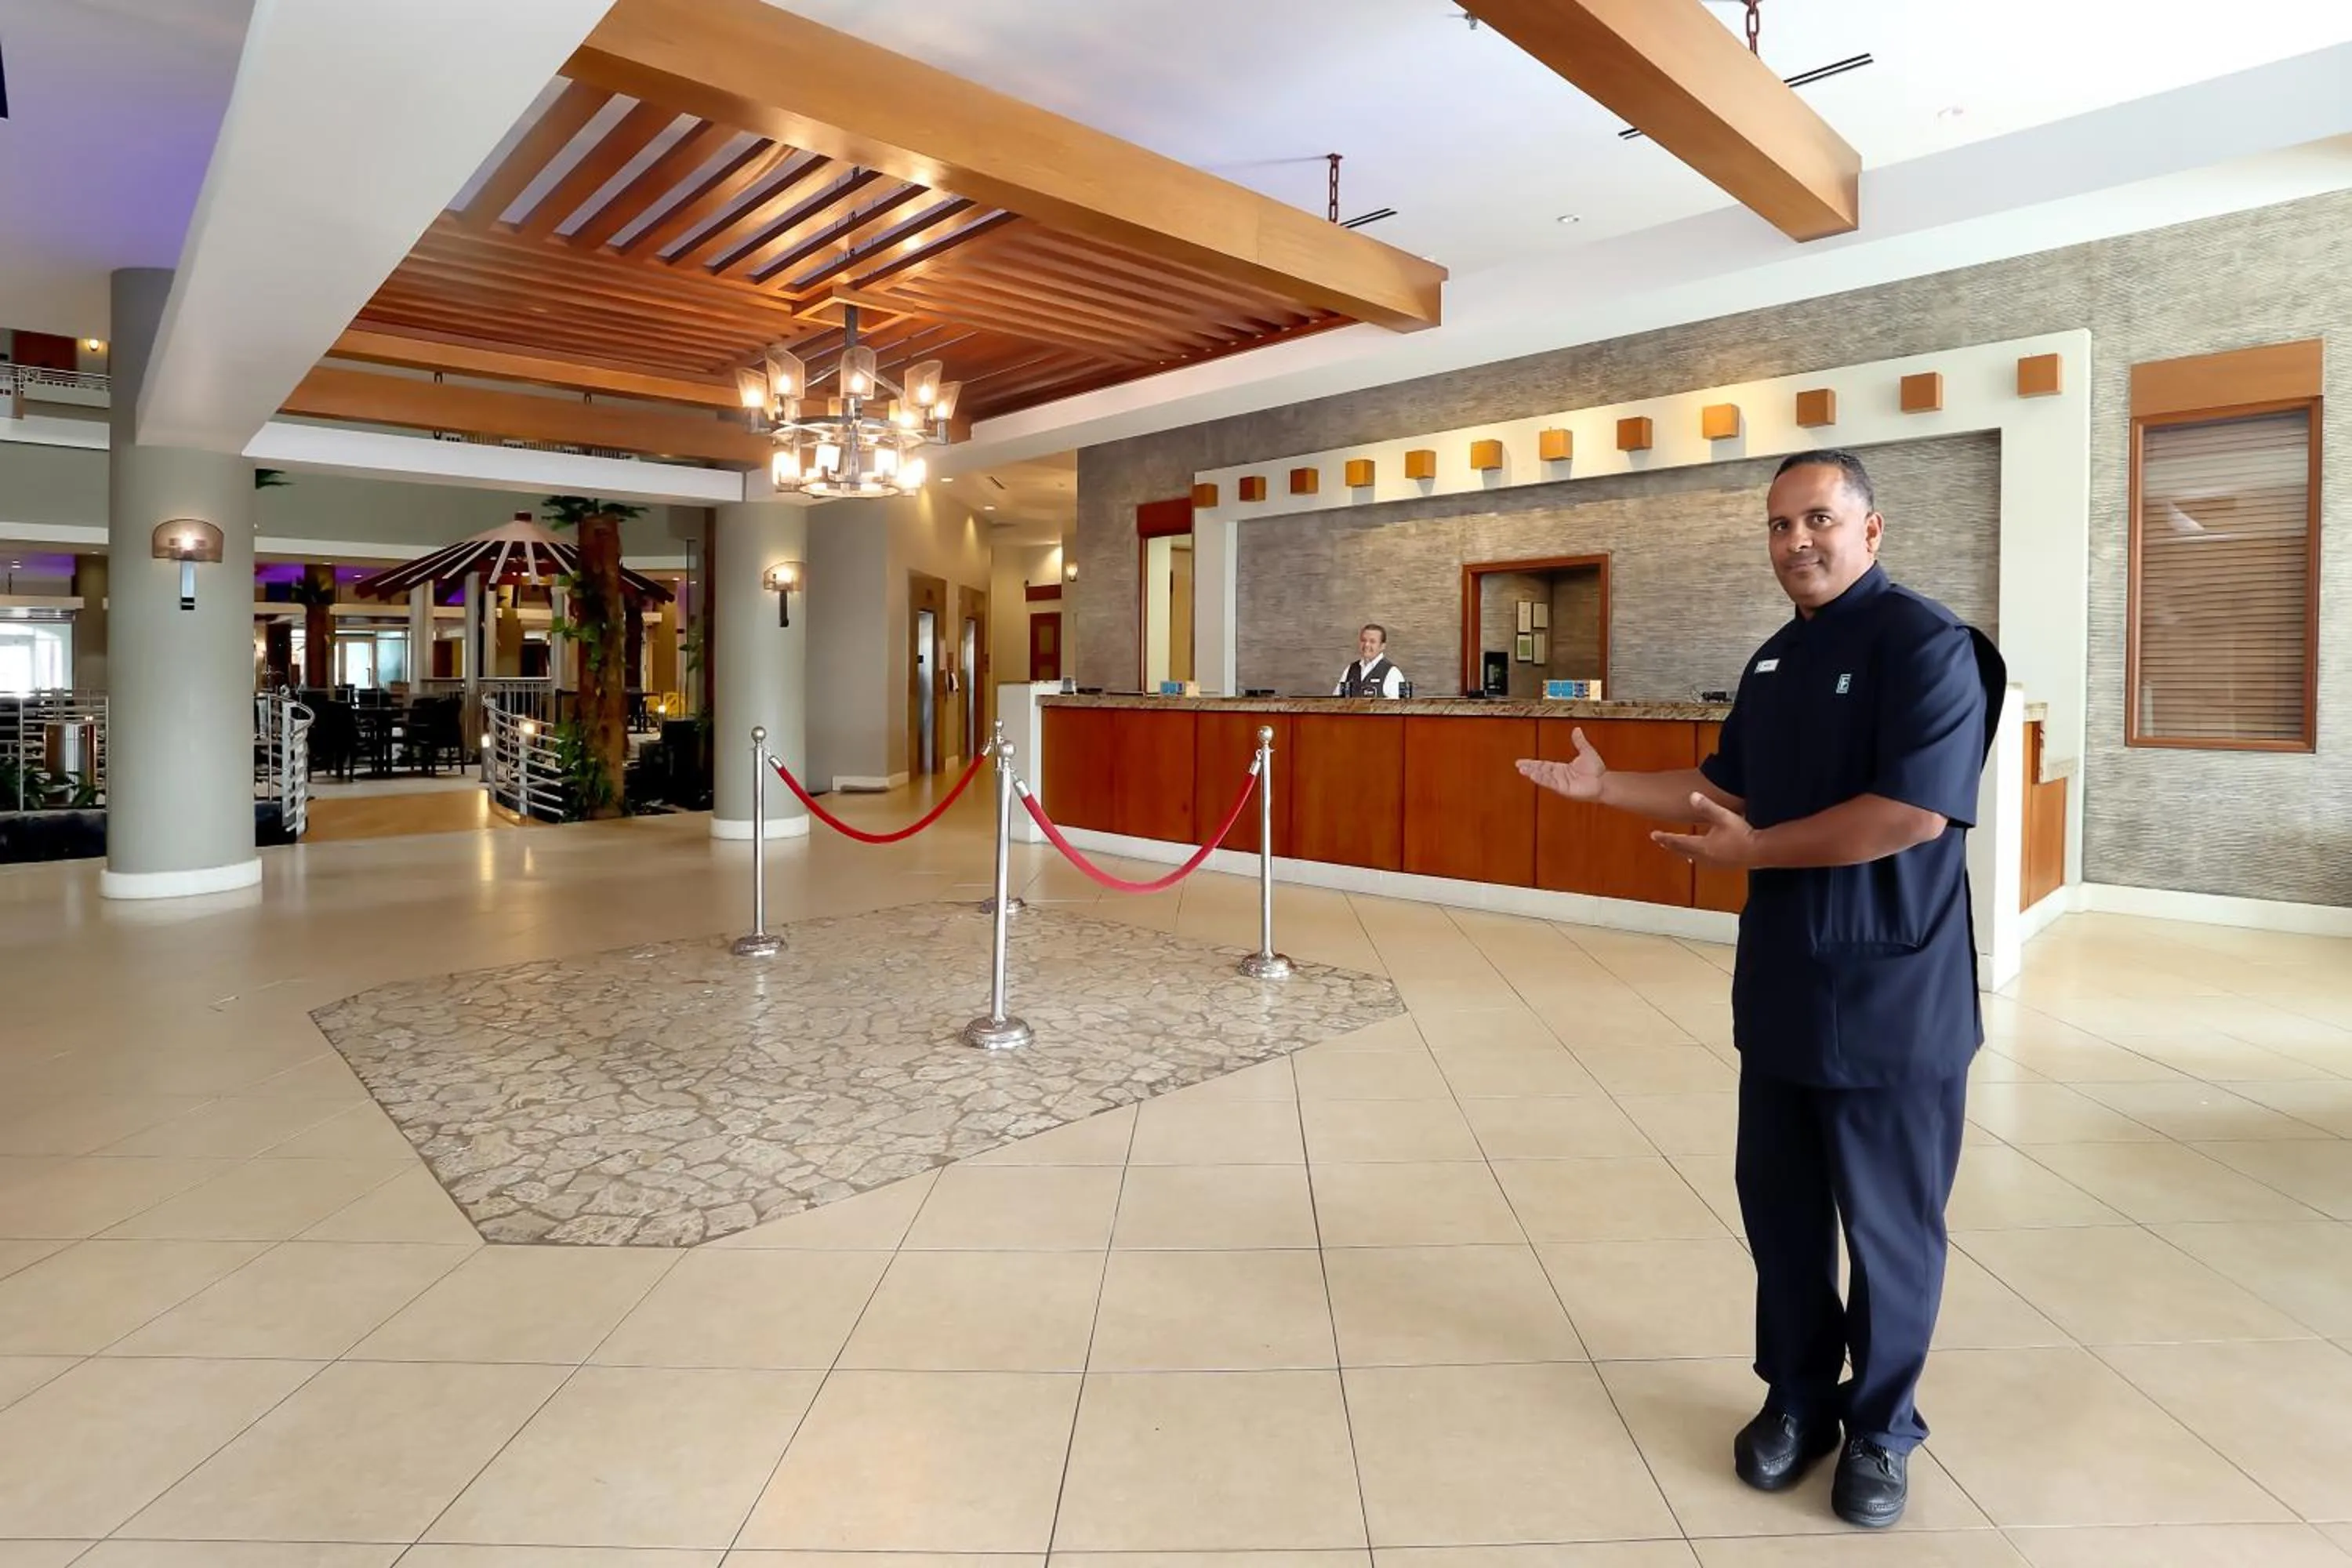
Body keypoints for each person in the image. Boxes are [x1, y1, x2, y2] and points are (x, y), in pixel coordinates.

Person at [1517, 449, 2004, 1530]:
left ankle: (1881, 1428)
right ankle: (1797, 1398)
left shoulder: (1929, 648)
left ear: (1871, 530)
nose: (1798, 544)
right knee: (1781, 1214)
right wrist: (1603, 791)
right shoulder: (1778, 661)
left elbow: (1911, 814)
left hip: (1894, 993)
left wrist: (1757, 853)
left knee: (1890, 1227)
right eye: (1781, 526)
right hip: (1785, 983)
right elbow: (1720, 789)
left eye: (1820, 520)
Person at [1335, 623, 1406, 697]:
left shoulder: (1393, 672)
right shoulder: (1350, 669)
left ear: (1382, 646)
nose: (1366, 645)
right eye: (1363, 640)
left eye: (1372, 641)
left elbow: (1401, 706)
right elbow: (1335, 701)